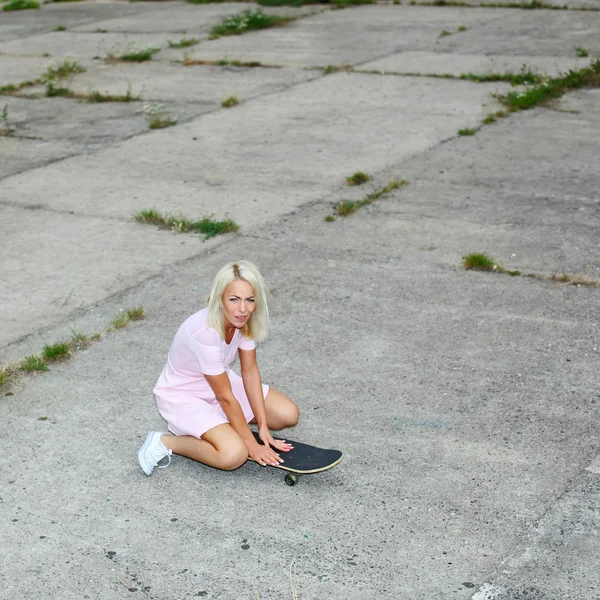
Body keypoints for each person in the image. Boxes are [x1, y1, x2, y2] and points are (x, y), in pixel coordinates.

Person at [138, 260, 299, 476]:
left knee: (286, 414)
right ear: (220, 298)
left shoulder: (243, 320)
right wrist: (251, 444)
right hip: (184, 395)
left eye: (249, 300)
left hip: (220, 384)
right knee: (234, 455)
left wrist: (262, 427)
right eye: (234, 299)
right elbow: (225, 397)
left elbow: (250, 372)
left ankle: (223, 426)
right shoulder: (205, 331)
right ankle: (168, 441)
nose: (243, 309)